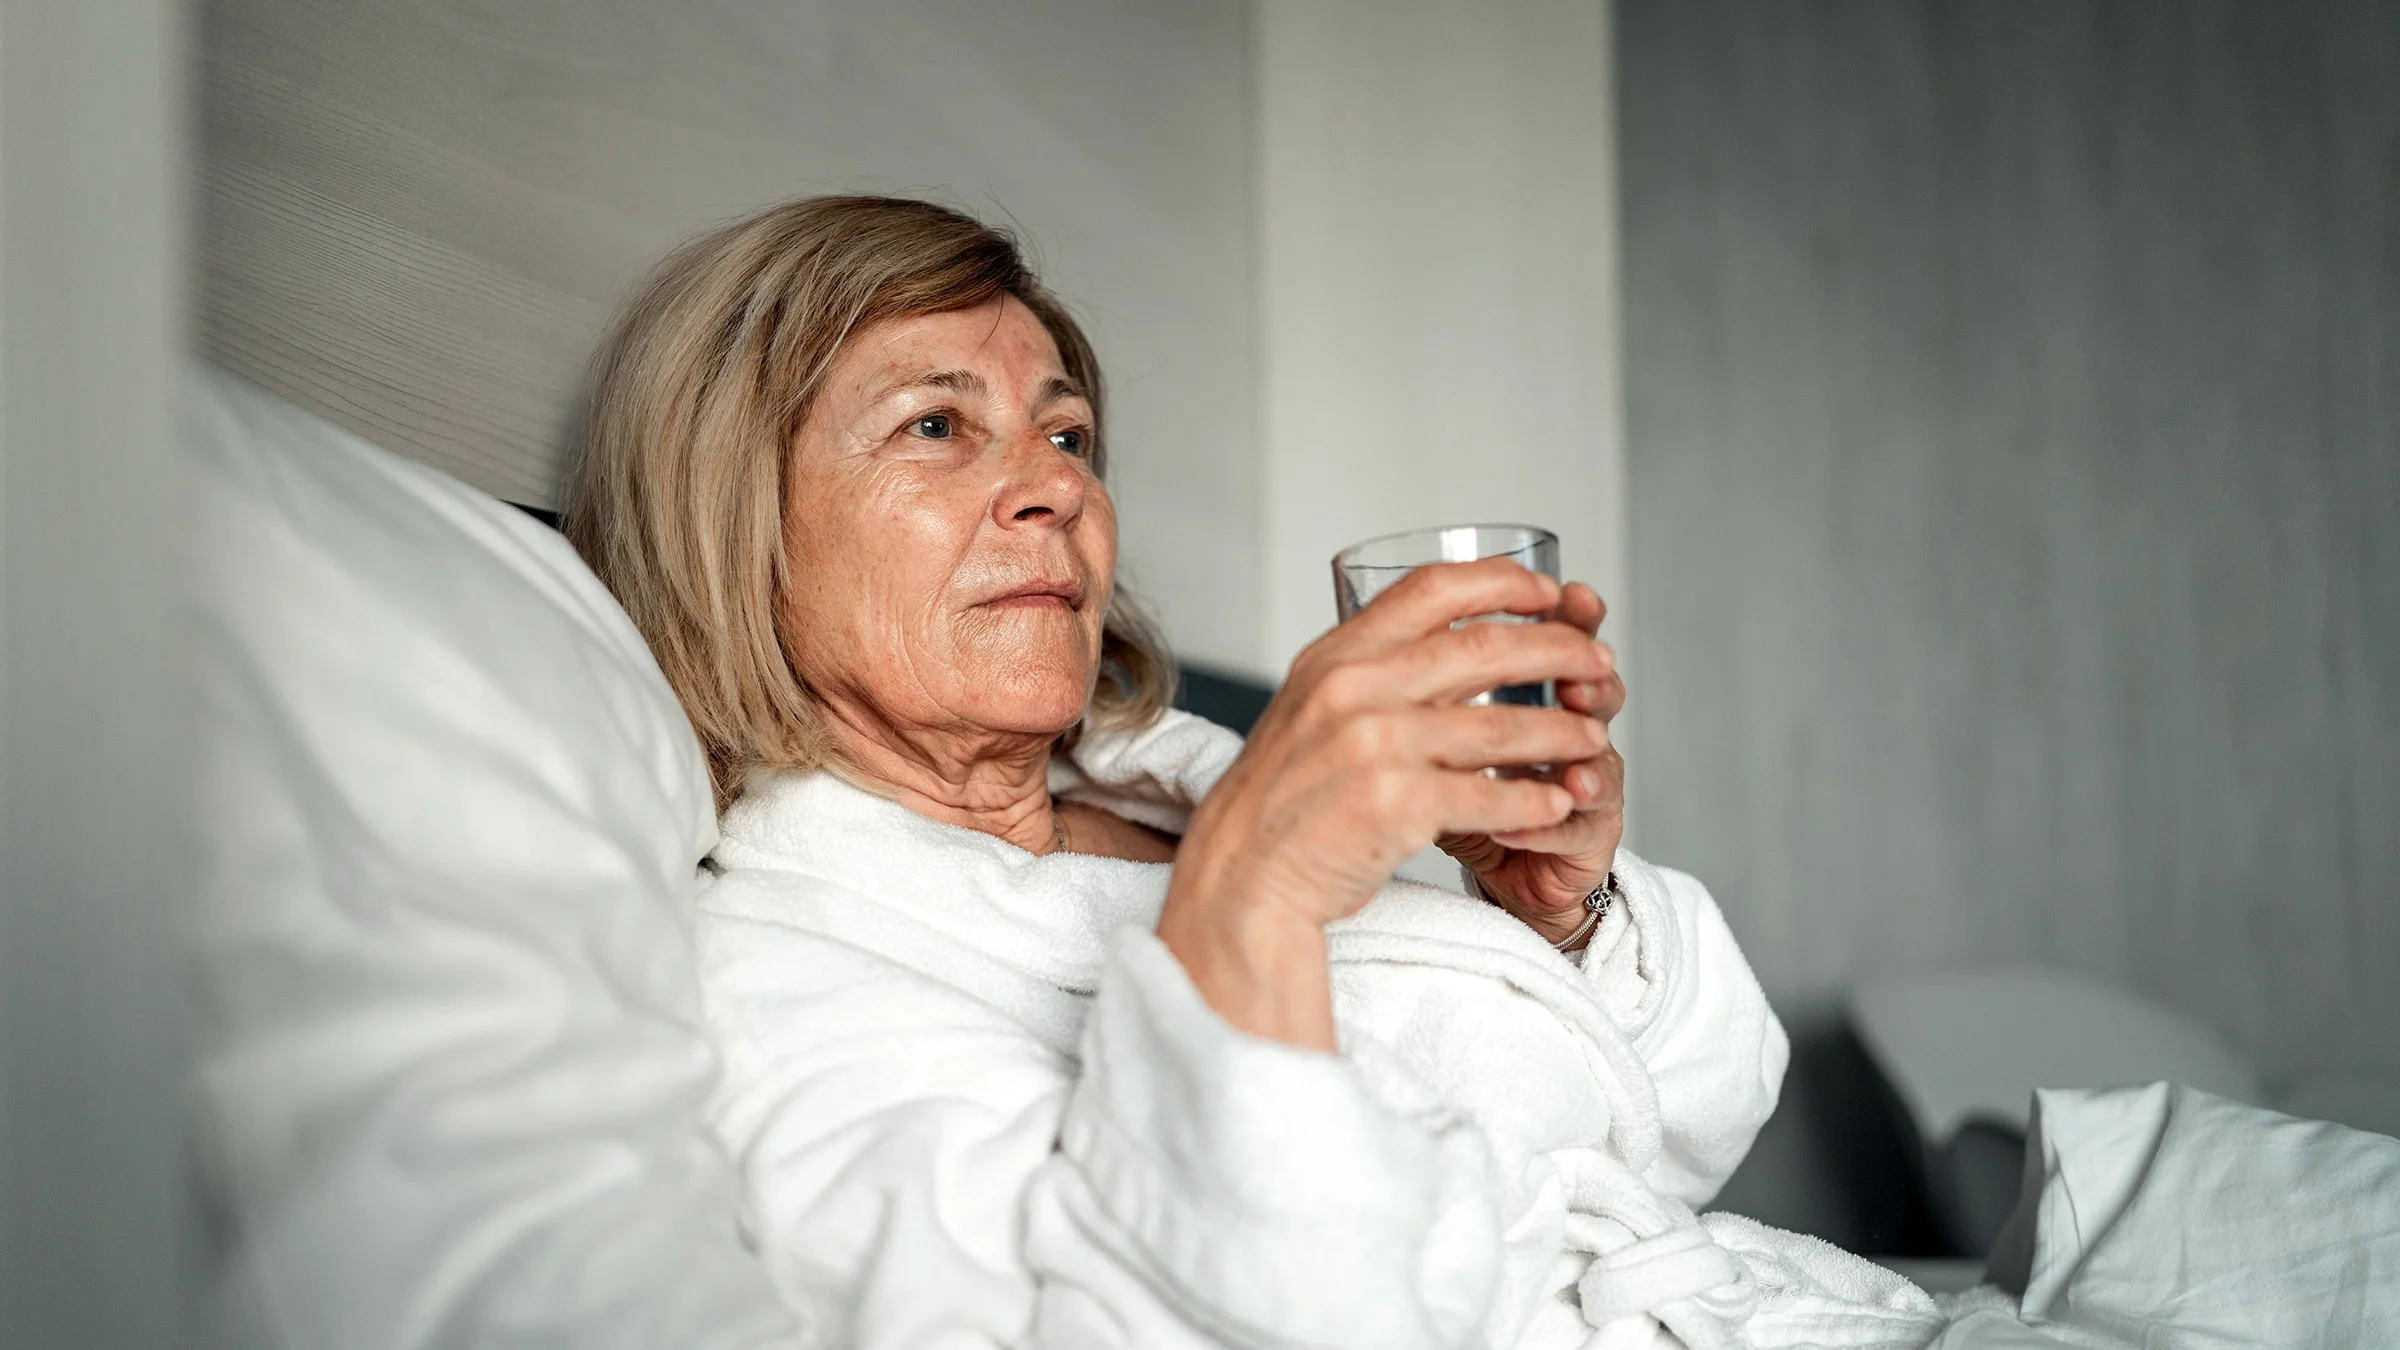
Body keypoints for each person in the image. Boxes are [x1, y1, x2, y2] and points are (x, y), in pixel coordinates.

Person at [566, 196, 1815, 1350]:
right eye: (935, 426)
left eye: (1068, 433)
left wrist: (1558, 918)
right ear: (731, 519)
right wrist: (1249, 904)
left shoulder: (1186, 796)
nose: (1059, 483)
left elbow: (1678, 1129)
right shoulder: (774, 977)